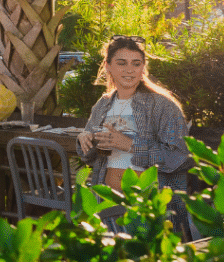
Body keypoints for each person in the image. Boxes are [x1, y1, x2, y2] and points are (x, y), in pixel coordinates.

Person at [77, 35, 190, 234]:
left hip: (148, 206)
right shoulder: (103, 104)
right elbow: (88, 156)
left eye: (136, 63)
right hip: (107, 202)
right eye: (122, 63)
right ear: (108, 66)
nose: (129, 70)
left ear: (143, 68)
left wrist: (130, 144)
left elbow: (178, 156)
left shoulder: (162, 106)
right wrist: (85, 140)